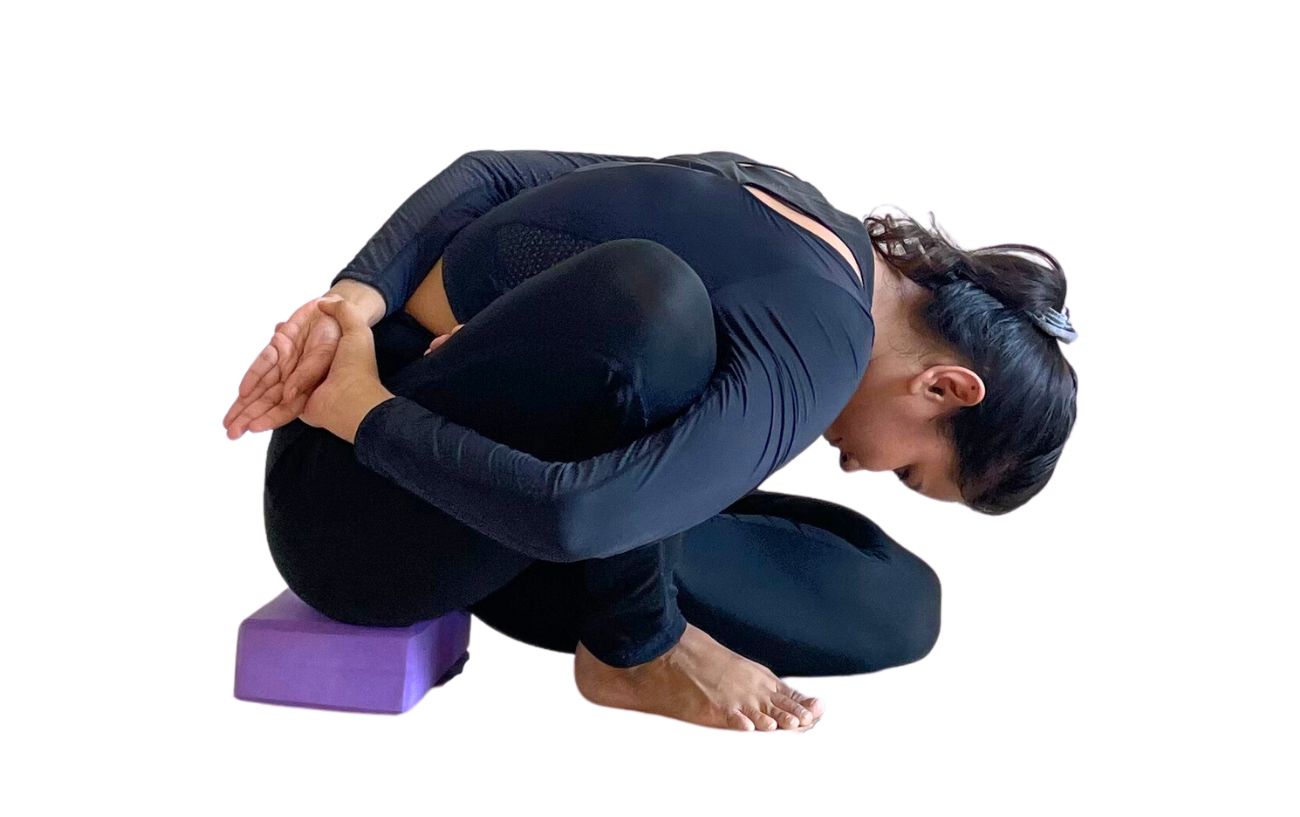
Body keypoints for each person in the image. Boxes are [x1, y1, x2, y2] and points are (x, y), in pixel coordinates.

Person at [222, 150, 1079, 732]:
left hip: (467, 485)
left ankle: (639, 616)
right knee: (656, 310)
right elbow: (578, 524)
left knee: (901, 597)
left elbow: (488, 175)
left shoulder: (796, 208)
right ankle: (633, 647)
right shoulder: (824, 343)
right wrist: (362, 406)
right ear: (944, 387)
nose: (857, 464)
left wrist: (355, 300)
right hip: (360, 524)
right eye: (909, 471)